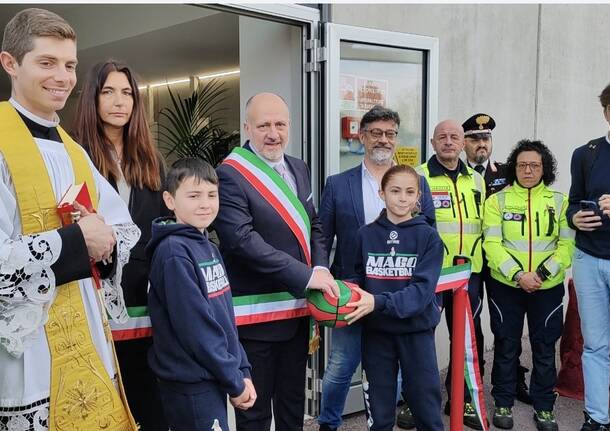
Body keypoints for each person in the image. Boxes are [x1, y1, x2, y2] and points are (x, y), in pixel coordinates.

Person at [0, 8, 139, 430]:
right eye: (47, 63)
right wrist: (80, 240)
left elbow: (120, 228)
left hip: (86, 333)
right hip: (25, 351)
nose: (62, 77)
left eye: (70, 65)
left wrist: (105, 243)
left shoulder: (73, 149)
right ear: (10, 63)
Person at [214, 92, 338, 430]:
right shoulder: (230, 174)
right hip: (258, 318)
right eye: (264, 125)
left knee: (292, 407)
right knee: (255, 414)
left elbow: (314, 225)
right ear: (247, 128)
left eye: (280, 124)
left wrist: (320, 267)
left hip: (297, 313)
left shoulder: (299, 167)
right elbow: (241, 241)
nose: (273, 133)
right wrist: (305, 276)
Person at [318, 105, 436, 431]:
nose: (384, 139)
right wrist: (322, 274)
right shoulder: (338, 184)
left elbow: (428, 232)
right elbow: (322, 236)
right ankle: (328, 424)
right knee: (341, 365)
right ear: (362, 137)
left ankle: (385, 418)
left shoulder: (416, 182)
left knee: (388, 374)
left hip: (400, 297)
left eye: (390, 133)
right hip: (352, 294)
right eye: (376, 133)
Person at [74, 59, 169, 430]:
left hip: (146, 301)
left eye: (127, 93)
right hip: (94, 297)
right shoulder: (73, 155)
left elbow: (164, 227)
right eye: (108, 91)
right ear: (93, 99)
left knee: (148, 403)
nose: (119, 101)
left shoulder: (152, 160)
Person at [146, 158, 255, 431]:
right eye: (194, 196)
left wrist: (242, 370)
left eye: (211, 195)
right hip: (190, 384)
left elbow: (225, 319)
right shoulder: (173, 252)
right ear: (170, 200)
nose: (205, 203)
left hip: (213, 376)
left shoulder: (209, 247)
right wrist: (234, 380)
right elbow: (196, 328)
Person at [344, 164, 445, 431]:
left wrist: (378, 302)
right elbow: (356, 278)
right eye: (395, 191)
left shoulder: (429, 237)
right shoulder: (365, 234)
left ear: (418, 197)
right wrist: (342, 295)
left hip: (416, 333)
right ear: (382, 193)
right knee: (379, 414)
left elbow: (421, 293)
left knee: (426, 409)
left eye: (410, 192)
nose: (402, 198)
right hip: (377, 333)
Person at [483, 139, 574, 431]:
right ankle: (503, 402)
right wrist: (518, 275)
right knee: (506, 345)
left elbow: (567, 245)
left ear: (544, 168)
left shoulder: (559, 201)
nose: (528, 170)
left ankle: (544, 407)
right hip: (506, 287)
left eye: (534, 165)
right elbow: (492, 244)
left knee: (544, 348)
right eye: (522, 165)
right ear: (514, 168)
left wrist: (542, 275)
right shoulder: (496, 201)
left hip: (546, 289)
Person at [415, 119, 486, 429]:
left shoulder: (477, 180)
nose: (448, 142)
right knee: (422, 338)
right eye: (442, 137)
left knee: (467, 338)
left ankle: (462, 399)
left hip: (468, 273)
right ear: (432, 143)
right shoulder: (419, 176)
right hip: (432, 273)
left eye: (454, 137)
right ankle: (416, 401)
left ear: (462, 143)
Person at [462, 113, 532, 405]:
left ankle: (512, 379)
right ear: (464, 143)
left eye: (486, 138)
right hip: (472, 262)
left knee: (506, 324)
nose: (481, 143)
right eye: (475, 138)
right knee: (471, 326)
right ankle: (471, 384)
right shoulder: (458, 174)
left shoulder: (507, 172)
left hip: (502, 262)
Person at [567, 83, 610, 431]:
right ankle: (597, 417)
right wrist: (574, 219)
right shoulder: (586, 154)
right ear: (606, 112)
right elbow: (572, 202)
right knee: (595, 345)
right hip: (589, 258)